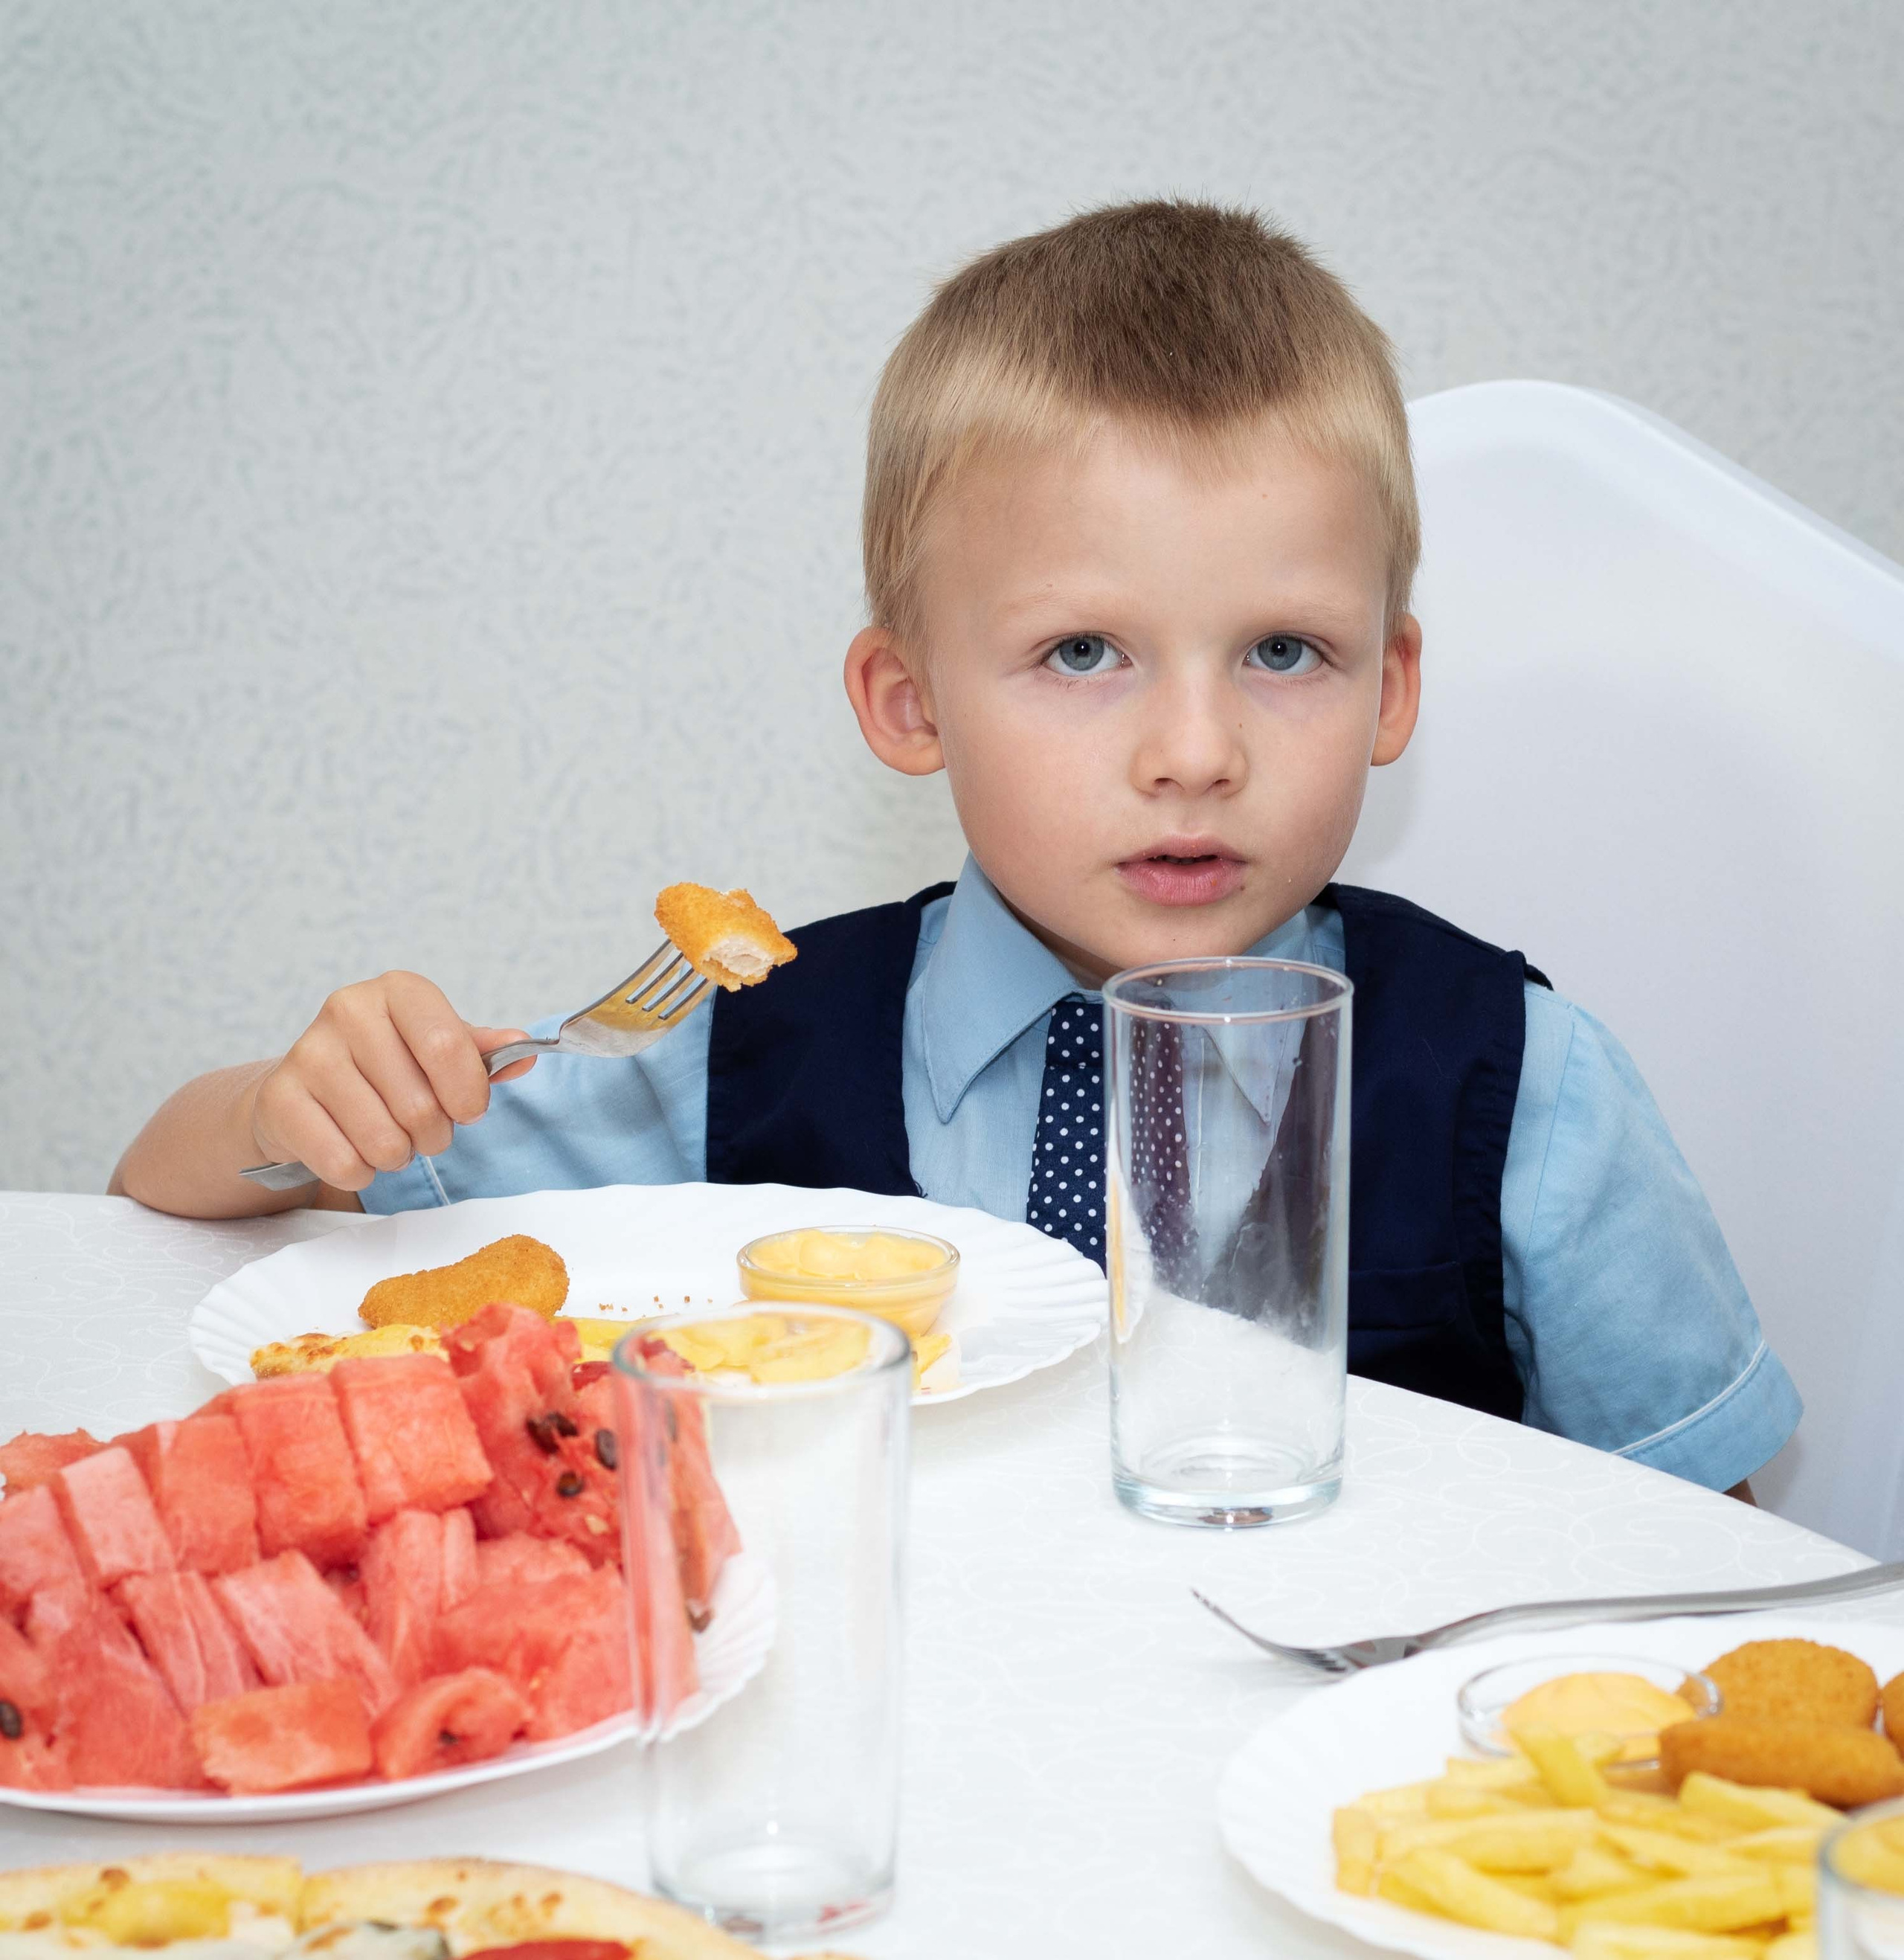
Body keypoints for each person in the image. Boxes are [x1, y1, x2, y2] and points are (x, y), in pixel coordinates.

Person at [112, 199, 1799, 1496]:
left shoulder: (1527, 1088)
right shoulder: (731, 1055)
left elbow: (1712, 1560)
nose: (1193, 752)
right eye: (1083, 653)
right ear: (908, 701)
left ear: (1391, 687)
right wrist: (283, 1115)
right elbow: (168, 1200)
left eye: (1283, 651)